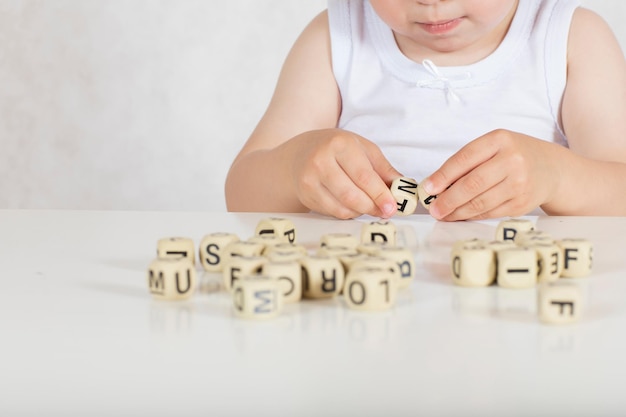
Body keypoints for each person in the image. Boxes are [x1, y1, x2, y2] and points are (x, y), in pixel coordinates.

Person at [225, 0, 626, 221]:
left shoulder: (570, 36)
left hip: (518, 310)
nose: (432, 1)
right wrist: (295, 166)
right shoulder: (336, 36)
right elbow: (241, 193)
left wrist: (556, 176)